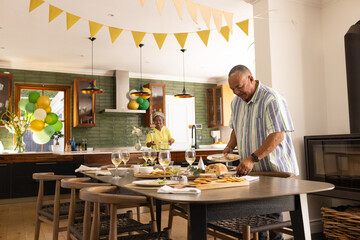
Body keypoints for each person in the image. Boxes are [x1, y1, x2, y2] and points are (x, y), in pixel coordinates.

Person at [224, 65, 299, 240]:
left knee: (271, 219)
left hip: (276, 171)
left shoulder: (271, 99)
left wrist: (252, 158)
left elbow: (278, 135)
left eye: (239, 87)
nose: (236, 92)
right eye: (232, 88)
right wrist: (229, 146)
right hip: (252, 173)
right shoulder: (236, 102)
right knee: (254, 218)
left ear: (250, 78)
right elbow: (236, 128)